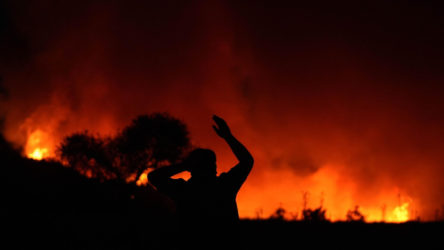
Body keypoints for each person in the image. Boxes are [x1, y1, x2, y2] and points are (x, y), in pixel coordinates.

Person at [148, 115, 254, 248]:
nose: (214, 167)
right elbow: (247, 161)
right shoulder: (225, 185)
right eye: (211, 164)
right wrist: (228, 137)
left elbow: (153, 177)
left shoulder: (184, 190)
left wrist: (184, 165)